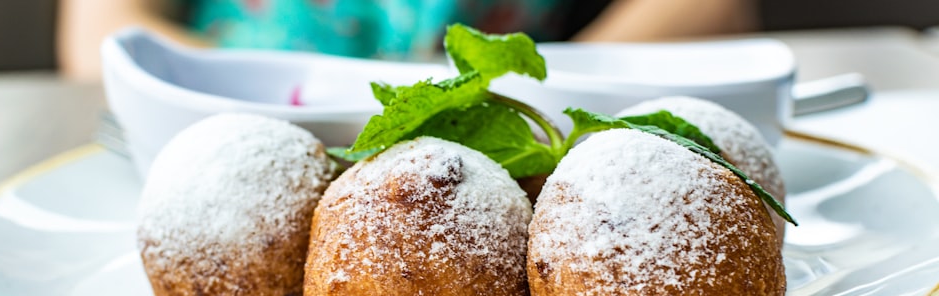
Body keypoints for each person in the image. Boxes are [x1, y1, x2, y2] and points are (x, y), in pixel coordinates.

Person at [57, 0, 759, 80]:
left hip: (510, 124)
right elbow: (97, 38)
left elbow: (711, 10)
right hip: (252, 111)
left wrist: (535, 83)